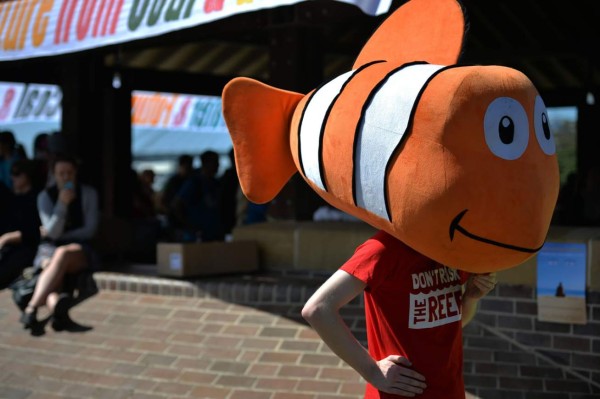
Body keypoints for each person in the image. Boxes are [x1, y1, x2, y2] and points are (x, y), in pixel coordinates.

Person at [302, 231, 497, 398]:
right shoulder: (384, 248)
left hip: (449, 389)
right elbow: (318, 309)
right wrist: (372, 371)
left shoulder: (453, 247)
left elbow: (454, 323)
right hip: (399, 392)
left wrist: (471, 298)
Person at [20, 155, 99, 335]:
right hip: (49, 250)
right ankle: (57, 309)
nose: (66, 177)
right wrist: (62, 204)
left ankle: (31, 308)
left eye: (69, 173)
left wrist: (63, 234)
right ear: (53, 175)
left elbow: (89, 231)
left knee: (61, 253)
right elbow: (53, 233)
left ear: (76, 173)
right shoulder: (45, 197)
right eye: (61, 173)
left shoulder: (88, 194)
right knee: (51, 265)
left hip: (77, 250)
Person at [0, 160, 41, 289]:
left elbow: (34, 231)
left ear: (27, 175)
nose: (13, 177)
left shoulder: (36, 198)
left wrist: (6, 238)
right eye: (12, 173)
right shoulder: (11, 199)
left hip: (26, 248)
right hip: (7, 248)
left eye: (17, 173)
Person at [172, 150, 223, 241]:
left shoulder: (215, 183)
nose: (218, 165)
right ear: (206, 163)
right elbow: (177, 204)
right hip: (197, 235)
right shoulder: (195, 182)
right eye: (215, 162)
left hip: (213, 233)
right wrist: (189, 225)